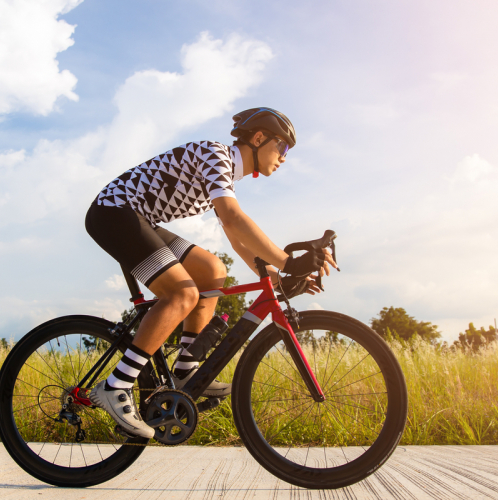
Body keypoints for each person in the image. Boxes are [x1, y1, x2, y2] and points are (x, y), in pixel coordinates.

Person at [84, 107, 336, 438]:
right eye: (283, 147)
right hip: (114, 214)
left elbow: (234, 237)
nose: (284, 157)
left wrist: (275, 276)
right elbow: (233, 217)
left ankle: (185, 370)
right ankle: (116, 385)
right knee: (183, 293)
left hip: (137, 218)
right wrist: (290, 263)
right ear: (258, 138)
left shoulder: (225, 174)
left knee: (212, 270)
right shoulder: (216, 155)